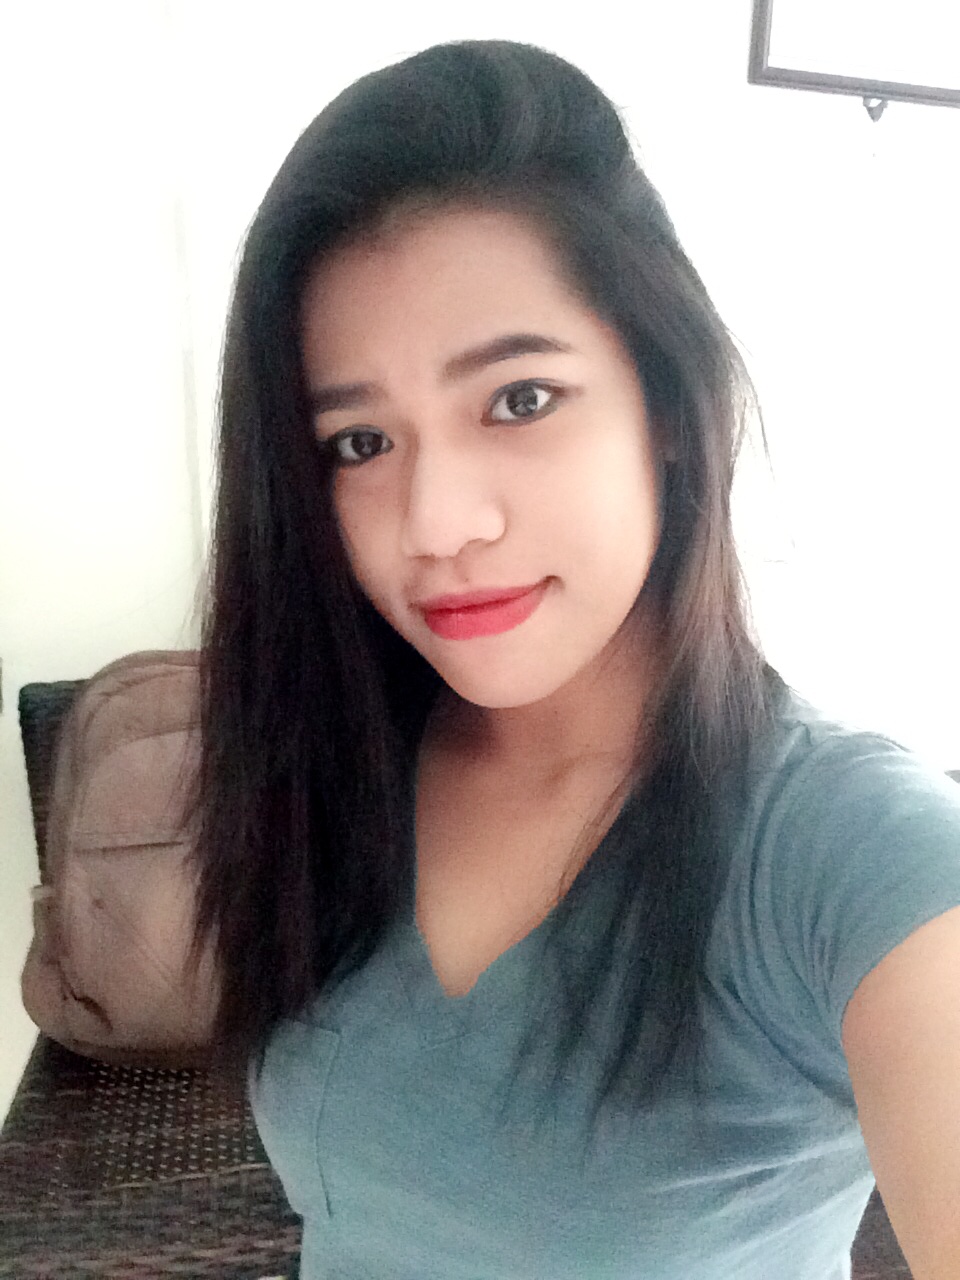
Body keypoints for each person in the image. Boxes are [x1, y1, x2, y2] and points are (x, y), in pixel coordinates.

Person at [186, 38, 960, 1280]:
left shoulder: (847, 849)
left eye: (520, 399)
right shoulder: (335, 752)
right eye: (361, 441)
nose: (437, 522)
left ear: (667, 405)